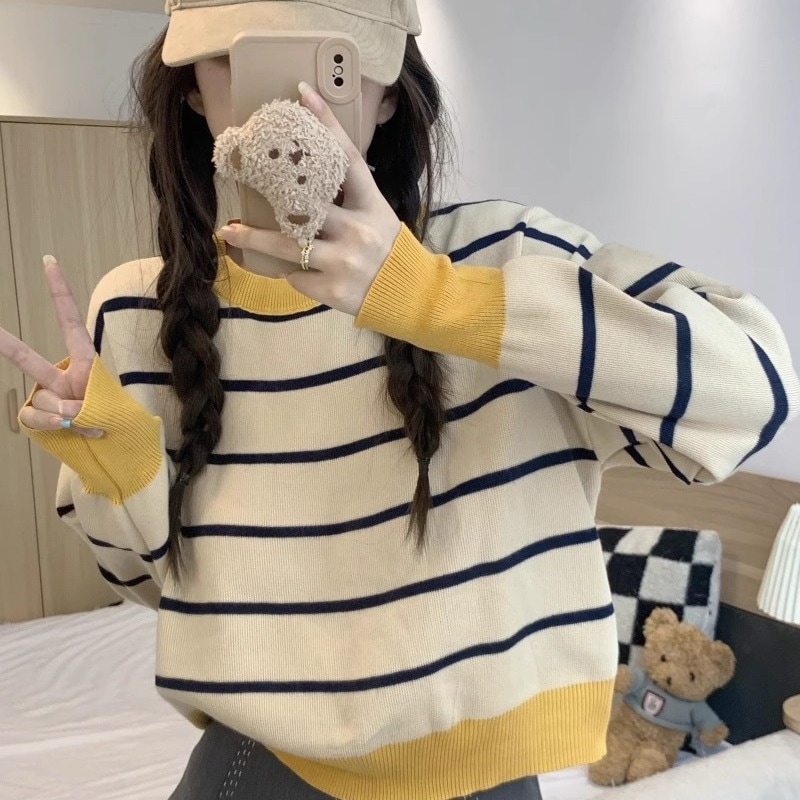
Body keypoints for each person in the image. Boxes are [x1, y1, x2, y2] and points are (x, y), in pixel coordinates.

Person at [1, 0, 798, 798]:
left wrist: (432, 298)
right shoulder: (141, 311)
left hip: (485, 778)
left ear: (388, 94)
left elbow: (754, 390)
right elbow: (152, 587)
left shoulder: (506, 257)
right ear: (190, 93)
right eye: (232, 63)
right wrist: (119, 460)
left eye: (329, 63)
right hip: (257, 767)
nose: (283, 102)